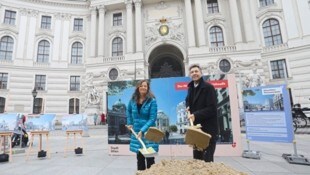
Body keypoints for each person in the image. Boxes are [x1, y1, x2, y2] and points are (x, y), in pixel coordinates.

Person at [185, 64, 218, 162]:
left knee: (207, 160)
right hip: (197, 131)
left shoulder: (208, 87)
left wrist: (195, 115)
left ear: (201, 73)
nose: (194, 73)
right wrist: (188, 107)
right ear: (190, 75)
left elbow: (212, 108)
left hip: (208, 130)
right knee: (197, 159)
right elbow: (187, 100)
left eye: (196, 71)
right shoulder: (191, 87)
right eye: (192, 72)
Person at [126, 80, 158, 171]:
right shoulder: (132, 100)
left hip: (148, 133)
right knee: (140, 159)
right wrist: (130, 123)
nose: (143, 87)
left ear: (147, 88)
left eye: (145, 86)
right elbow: (128, 111)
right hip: (136, 132)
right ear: (138, 88)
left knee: (150, 160)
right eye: (141, 86)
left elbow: (152, 118)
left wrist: (142, 130)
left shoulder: (152, 101)